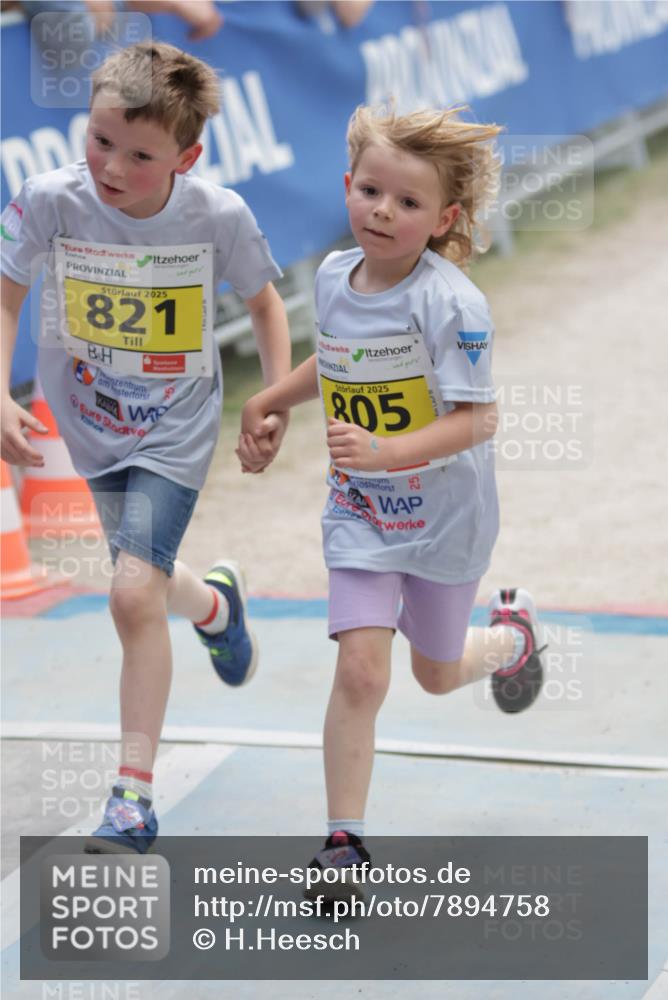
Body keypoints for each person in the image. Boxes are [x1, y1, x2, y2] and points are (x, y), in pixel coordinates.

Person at [239, 104, 545, 900]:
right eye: (371, 191)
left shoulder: (452, 305)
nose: (383, 211)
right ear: (346, 187)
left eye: (408, 204)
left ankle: (512, 642)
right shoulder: (334, 278)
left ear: (442, 218)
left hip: (446, 517)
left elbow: (478, 418)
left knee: (437, 675)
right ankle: (345, 842)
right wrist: (270, 398)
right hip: (363, 515)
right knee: (363, 673)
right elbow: (335, 362)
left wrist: (387, 450)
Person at [0, 41, 290, 853]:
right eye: (99, 141)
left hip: (174, 424)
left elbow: (266, 307)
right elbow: (7, 295)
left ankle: (132, 799)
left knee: (129, 593)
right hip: (89, 423)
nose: (111, 166)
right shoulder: (47, 199)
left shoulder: (218, 215)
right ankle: (216, 606)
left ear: (186, 157)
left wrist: (268, 401)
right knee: (148, 577)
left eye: (138, 154)